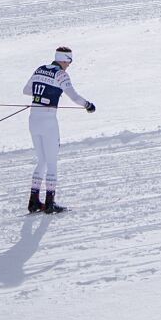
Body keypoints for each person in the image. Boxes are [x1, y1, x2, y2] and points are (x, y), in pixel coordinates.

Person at [23, 46, 96, 214]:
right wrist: (88, 105)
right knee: (52, 162)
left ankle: (33, 201)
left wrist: (40, 95)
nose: (69, 65)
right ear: (63, 59)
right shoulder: (61, 74)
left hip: (33, 119)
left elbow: (27, 90)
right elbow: (75, 97)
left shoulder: (40, 69)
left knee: (41, 160)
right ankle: (50, 203)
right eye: (69, 61)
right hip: (48, 121)